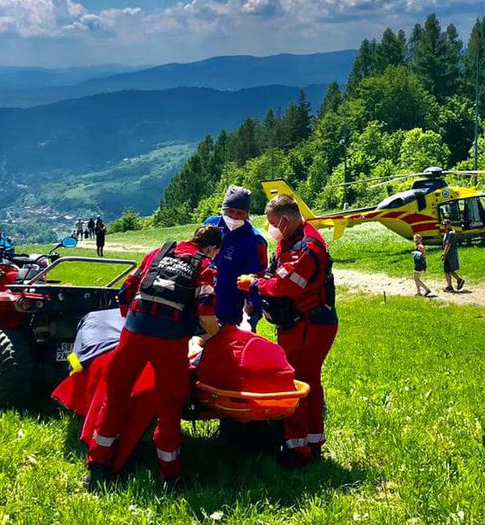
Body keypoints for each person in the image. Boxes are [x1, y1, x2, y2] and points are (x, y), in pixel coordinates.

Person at [85, 224, 223, 488]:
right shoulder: (206, 265)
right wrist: (217, 332)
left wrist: (133, 323)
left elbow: (127, 290)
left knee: (115, 397)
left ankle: (98, 466)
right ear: (212, 248)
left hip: (134, 332)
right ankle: (171, 475)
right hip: (170, 341)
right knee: (169, 405)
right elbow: (205, 314)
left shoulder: (157, 252)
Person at [240, 194, 339, 468]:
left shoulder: (307, 248)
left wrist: (252, 285)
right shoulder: (290, 240)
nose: (271, 229)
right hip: (300, 324)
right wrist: (261, 279)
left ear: (284, 219)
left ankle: (299, 451)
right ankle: (311, 442)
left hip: (309, 325)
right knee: (307, 382)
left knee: (296, 384)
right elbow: (275, 272)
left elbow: (284, 286)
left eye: (273, 223)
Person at [203, 185, 269, 329]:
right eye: (230, 211)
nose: (233, 217)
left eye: (239, 213)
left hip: (233, 306)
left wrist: (253, 312)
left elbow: (259, 278)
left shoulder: (255, 240)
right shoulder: (210, 225)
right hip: (203, 302)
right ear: (223, 209)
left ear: (247, 214)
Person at [441, 221, 464, 293]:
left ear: (449, 225)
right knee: (449, 270)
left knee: (446, 271)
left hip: (449, 255)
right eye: (443, 225)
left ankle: (450, 286)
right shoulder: (447, 233)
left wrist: (444, 254)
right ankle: (459, 280)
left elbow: (448, 244)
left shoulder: (451, 233)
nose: (444, 226)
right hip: (449, 254)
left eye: (446, 224)